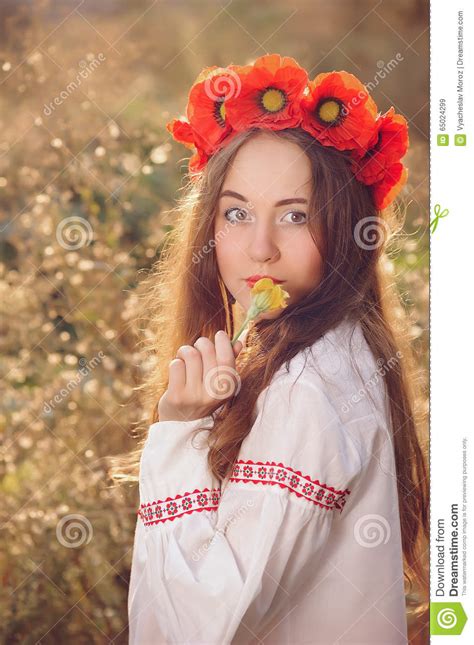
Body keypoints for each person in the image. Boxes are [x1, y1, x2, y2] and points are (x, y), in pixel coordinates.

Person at [124, 53, 428, 643]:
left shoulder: (307, 388)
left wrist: (176, 434)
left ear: (346, 229)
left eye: (295, 216)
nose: (260, 249)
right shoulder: (329, 352)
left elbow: (205, 624)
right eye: (237, 212)